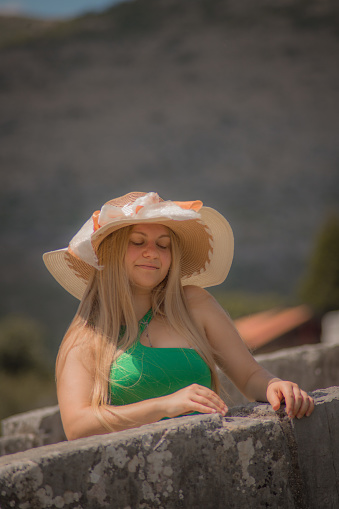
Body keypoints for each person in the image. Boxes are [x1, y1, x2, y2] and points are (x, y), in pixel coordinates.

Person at [43, 191, 314, 440]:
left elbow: (249, 374)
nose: (152, 252)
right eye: (137, 241)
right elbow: (77, 425)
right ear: (111, 253)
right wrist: (165, 406)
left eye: (163, 245)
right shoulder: (87, 335)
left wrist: (274, 385)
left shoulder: (194, 304)